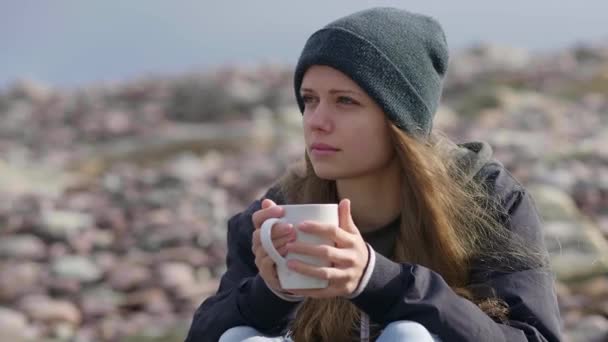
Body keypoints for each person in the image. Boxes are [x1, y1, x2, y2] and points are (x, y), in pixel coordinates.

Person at [185, 7, 562, 342]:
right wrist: (270, 294)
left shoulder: (487, 198)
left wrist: (377, 280)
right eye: (310, 99)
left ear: (400, 121)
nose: (316, 122)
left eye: (345, 101)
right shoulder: (281, 210)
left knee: (409, 336)